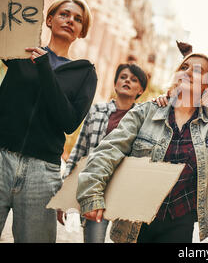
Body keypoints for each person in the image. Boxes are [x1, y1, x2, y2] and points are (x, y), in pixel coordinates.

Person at [76, 50, 208, 243]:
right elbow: (108, 150)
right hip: (136, 220)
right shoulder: (145, 112)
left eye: (197, 71)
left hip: (180, 222)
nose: (187, 72)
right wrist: (91, 193)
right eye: (184, 67)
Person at [0, 0, 97, 242]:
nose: (70, 20)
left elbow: (68, 122)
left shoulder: (85, 73)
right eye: (64, 14)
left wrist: (44, 67)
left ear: (81, 32)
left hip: (42, 173)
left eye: (78, 19)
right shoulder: (20, 52)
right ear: (50, 19)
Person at [59, 63, 147, 243]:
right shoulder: (96, 111)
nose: (127, 81)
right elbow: (79, 152)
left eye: (134, 79)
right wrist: (64, 195)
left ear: (141, 90)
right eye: (123, 77)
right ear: (115, 84)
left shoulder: (145, 119)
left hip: (126, 194)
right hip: (96, 192)